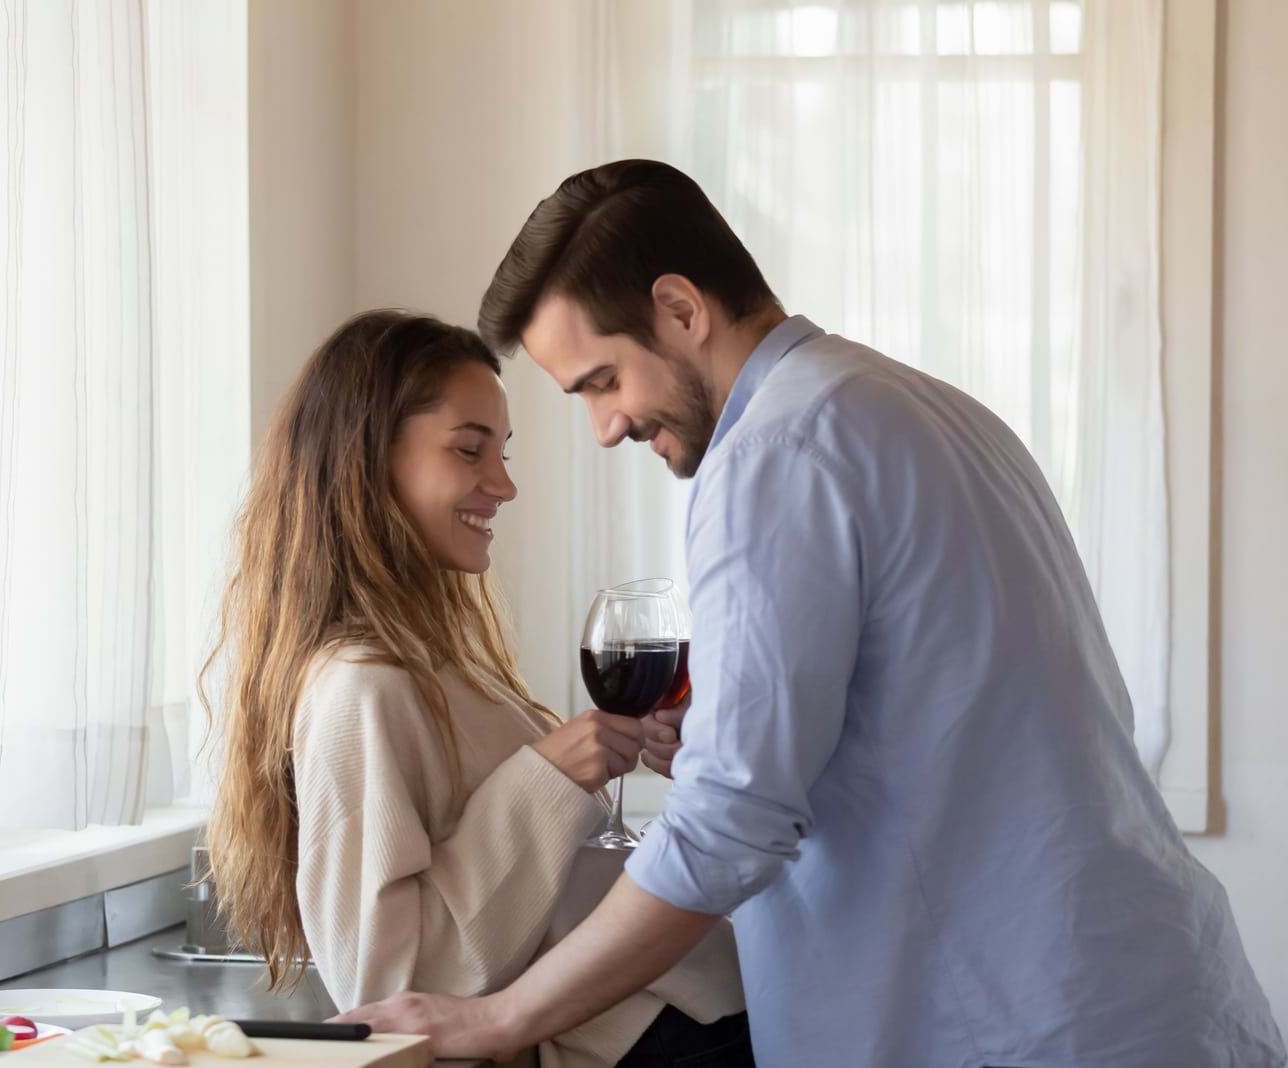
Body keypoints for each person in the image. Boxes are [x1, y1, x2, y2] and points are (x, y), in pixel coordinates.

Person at [335, 161, 1288, 1067]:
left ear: (678, 308)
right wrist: (729, 733)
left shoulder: (774, 454)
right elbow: (968, 711)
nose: (606, 425)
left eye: (602, 381)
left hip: (1000, 1026)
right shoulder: (924, 405)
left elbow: (727, 828)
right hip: (1153, 996)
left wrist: (499, 1017)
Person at [199, 308, 753, 1068]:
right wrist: (548, 777)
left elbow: (549, 890)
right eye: (470, 451)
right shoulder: (361, 687)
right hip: (655, 1039)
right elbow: (391, 988)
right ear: (368, 461)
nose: (504, 484)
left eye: (504, 451)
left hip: (690, 1015)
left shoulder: (438, 661)